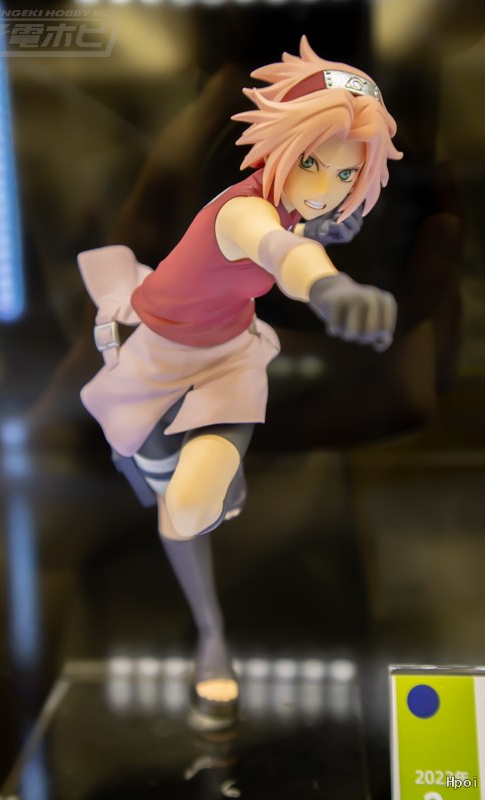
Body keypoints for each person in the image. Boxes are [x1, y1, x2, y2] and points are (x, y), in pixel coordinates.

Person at [78, 36, 402, 726]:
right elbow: (279, 250)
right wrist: (329, 288)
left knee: (189, 507)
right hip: (153, 357)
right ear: (280, 146)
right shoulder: (241, 210)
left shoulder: (299, 211)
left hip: (227, 357)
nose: (324, 189)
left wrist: (323, 248)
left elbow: (298, 237)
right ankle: (212, 632)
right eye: (310, 163)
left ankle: (216, 491)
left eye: (345, 174)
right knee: (171, 505)